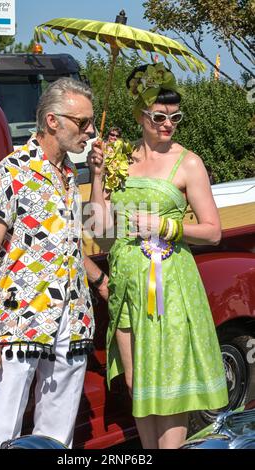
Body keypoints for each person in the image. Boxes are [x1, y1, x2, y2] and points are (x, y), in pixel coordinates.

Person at [88, 63, 228, 449]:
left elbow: (212, 231)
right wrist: (98, 174)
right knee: (139, 386)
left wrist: (164, 226)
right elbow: (99, 230)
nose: (169, 124)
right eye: (160, 117)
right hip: (127, 287)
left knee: (168, 388)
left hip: (168, 287)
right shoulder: (119, 160)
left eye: (175, 117)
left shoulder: (189, 162)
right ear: (140, 116)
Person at [0, 78, 109, 449]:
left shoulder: (67, 175)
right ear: (52, 120)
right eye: (83, 123)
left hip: (73, 317)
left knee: (59, 428)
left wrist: (97, 280)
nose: (90, 131)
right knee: (3, 425)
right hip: (23, 317)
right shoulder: (9, 172)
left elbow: (73, 242)